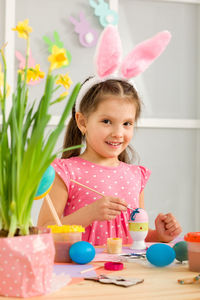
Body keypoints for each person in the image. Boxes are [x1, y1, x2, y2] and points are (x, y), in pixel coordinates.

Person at [37, 26, 182, 245]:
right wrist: (89, 213)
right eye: (106, 121)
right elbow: (43, 233)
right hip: (80, 275)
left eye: (127, 124)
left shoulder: (135, 176)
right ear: (82, 122)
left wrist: (160, 235)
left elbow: (135, 236)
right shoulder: (65, 172)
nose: (118, 133)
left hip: (126, 275)